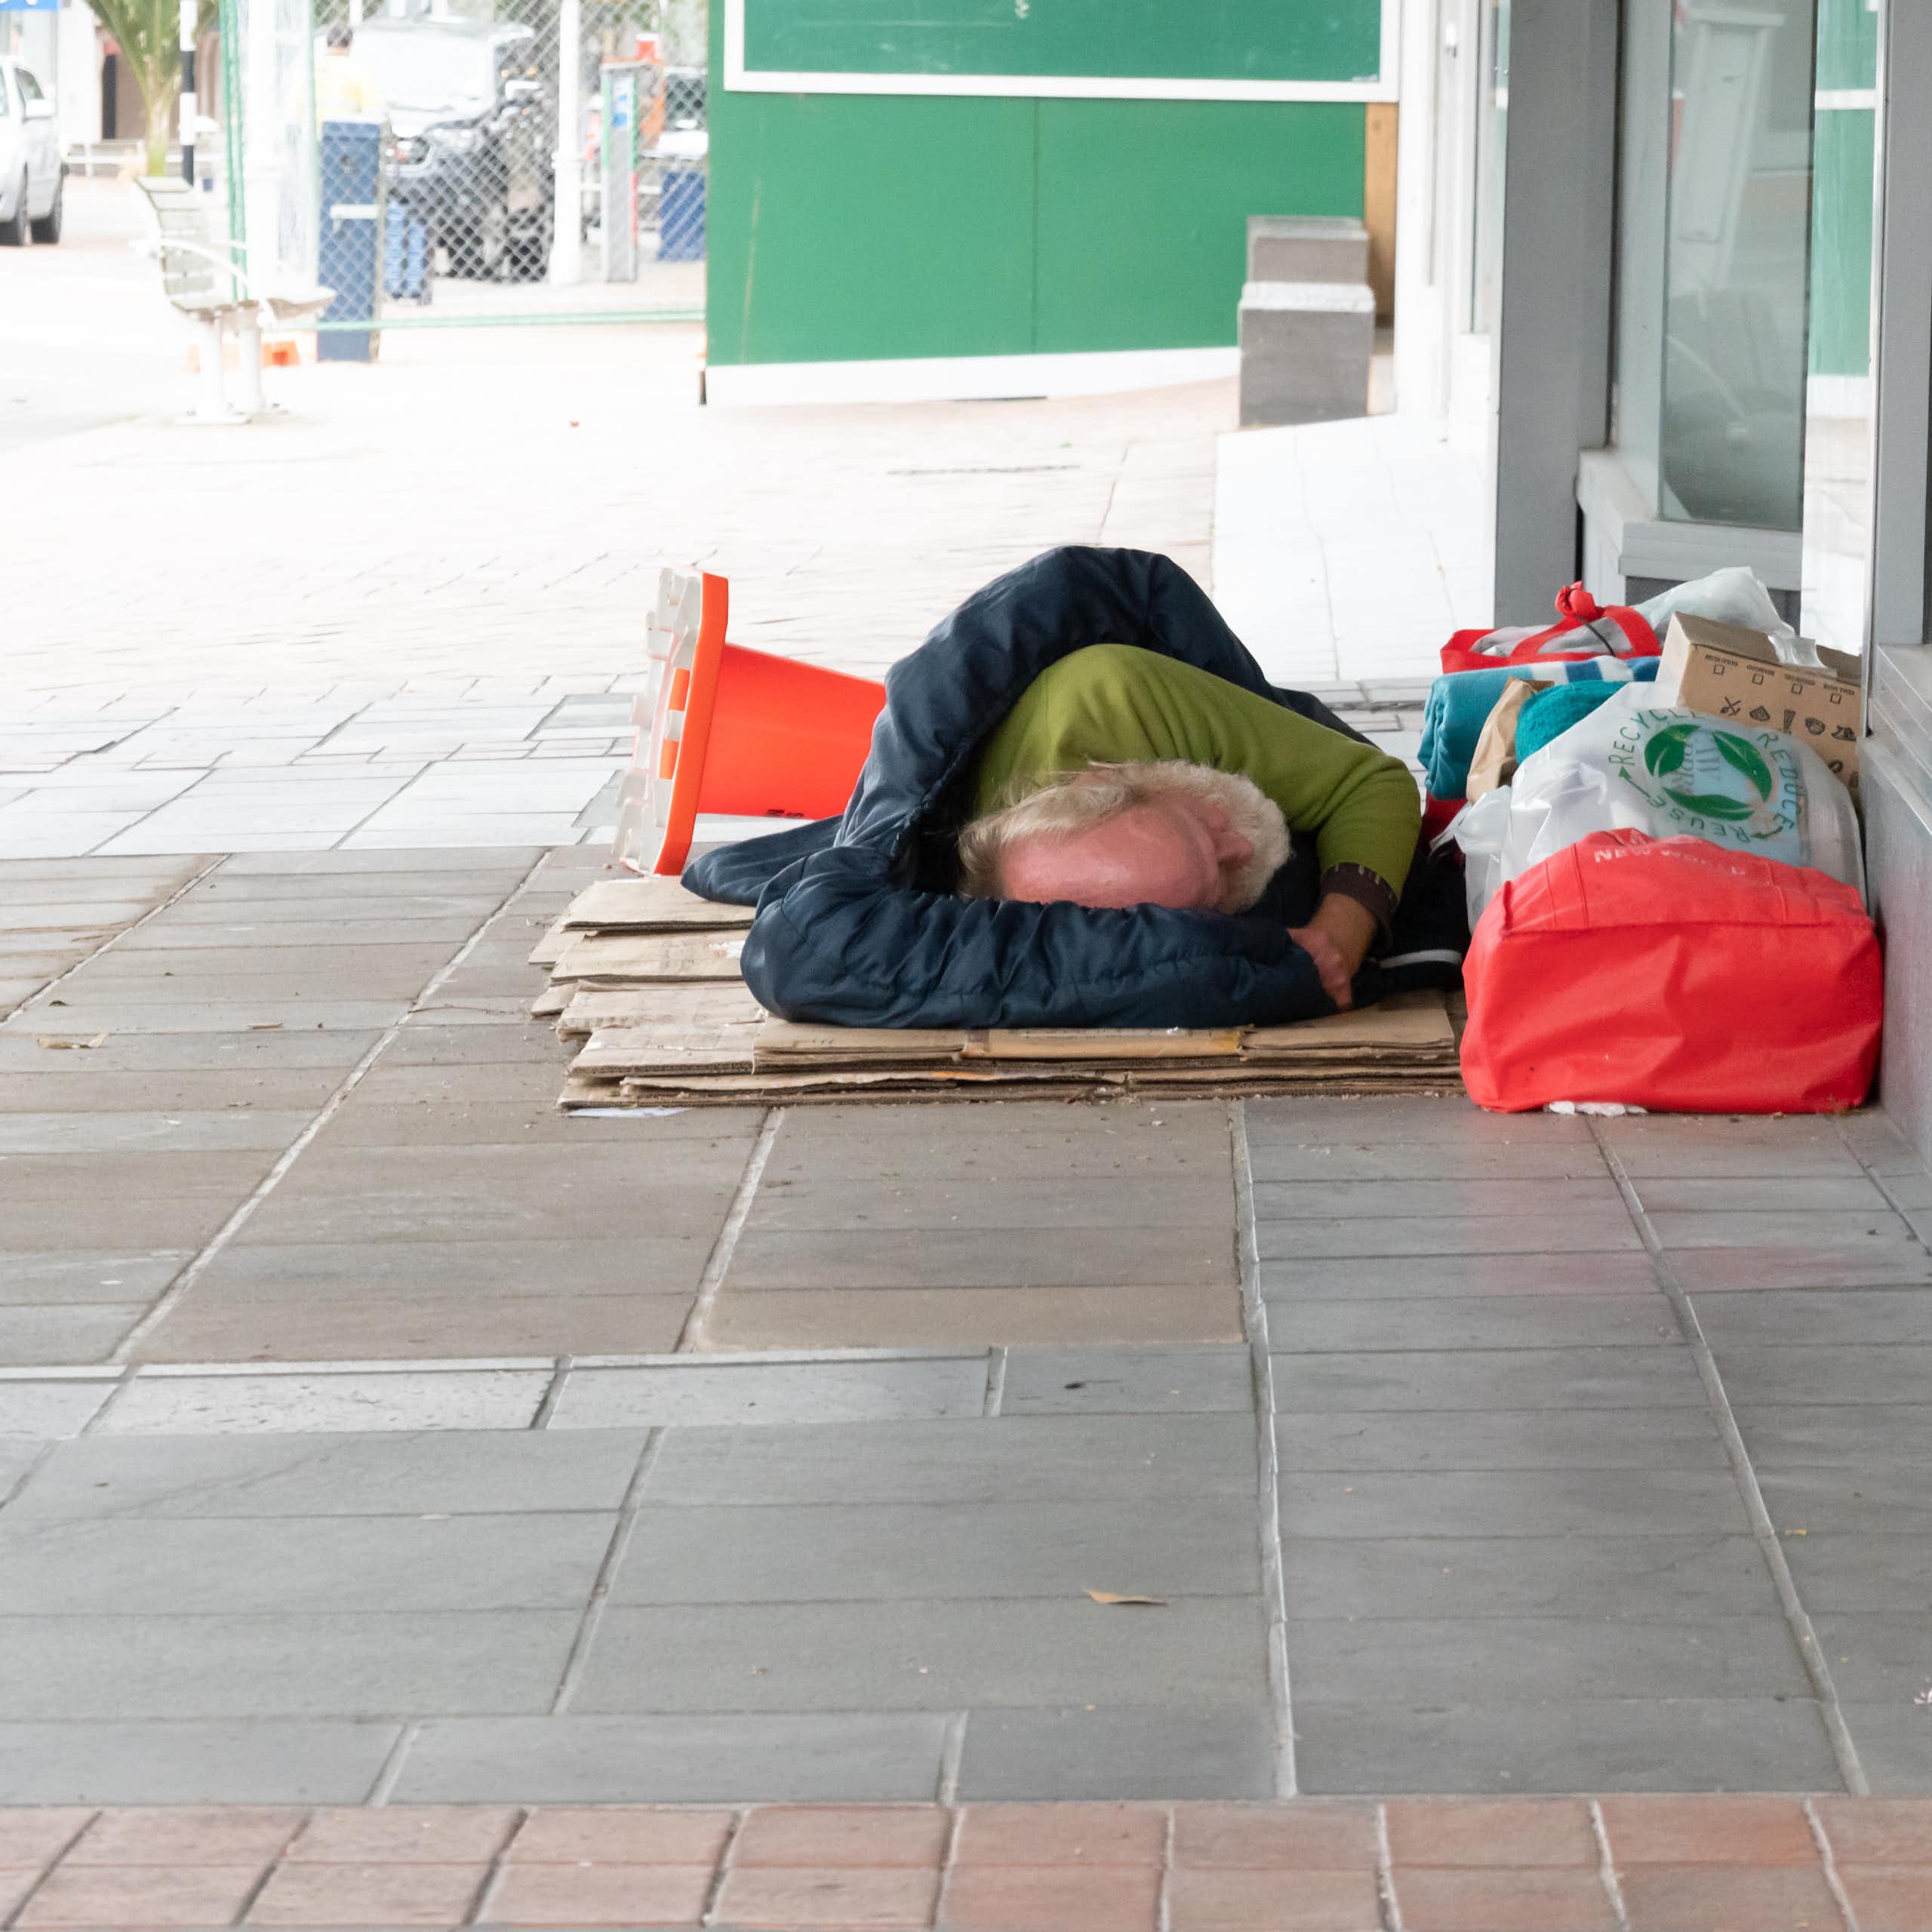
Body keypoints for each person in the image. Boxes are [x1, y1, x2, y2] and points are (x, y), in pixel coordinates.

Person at [955, 644, 1421, 1008]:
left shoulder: (1124, 699)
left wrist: (1339, 935)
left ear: (1109, 777)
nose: (1236, 847)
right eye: (1218, 880)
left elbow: (1372, 782)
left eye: (1204, 825)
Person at [315, 23, 384, 122]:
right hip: (345, 136)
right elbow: (374, 112)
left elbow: (292, 115)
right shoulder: (359, 73)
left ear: (326, 42)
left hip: (312, 136)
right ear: (350, 43)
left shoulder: (311, 71)